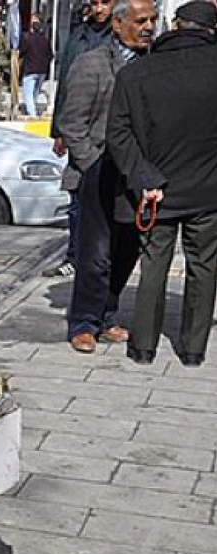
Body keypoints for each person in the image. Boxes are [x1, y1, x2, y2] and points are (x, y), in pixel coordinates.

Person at [106, 0, 217, 366]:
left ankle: (143, 347)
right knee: (203, 266)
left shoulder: (137, 73)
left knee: (154, 264)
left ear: (174, 25)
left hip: (156, 188)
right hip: (208, 189)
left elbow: (118, 133)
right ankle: (193, 349)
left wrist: (145, 177)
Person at [61, 0, 157, 354]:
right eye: (140, 20)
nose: (148, 26)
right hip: (98, 173)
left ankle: (107, 315)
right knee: (95, 254)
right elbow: (73, 122)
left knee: (126, 250)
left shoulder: (152, 65)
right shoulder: (93, 64)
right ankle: (84, 321)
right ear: (118, 24)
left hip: (136, 174)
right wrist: (91, 165)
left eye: (152, 20)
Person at [43, 0, 114, 278]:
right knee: (77, 199)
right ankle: (74, 256)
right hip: (79, 127)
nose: (99, 9)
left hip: (107, 126)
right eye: (94, 3)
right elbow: (65, 84)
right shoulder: (78, 36)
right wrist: (58, 129)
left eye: (104, 3)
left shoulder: (119, 37)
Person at [19, 13, 53, 116]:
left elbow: (22, 52)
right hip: (41, 71)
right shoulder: (45, 40)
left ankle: (32, 115)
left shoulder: (28, 39)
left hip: (30, 70)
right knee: (34, 94)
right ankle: (32, 111)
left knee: (28, 95)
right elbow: (50, 55)